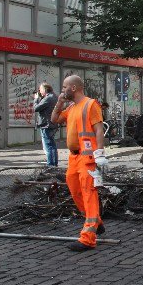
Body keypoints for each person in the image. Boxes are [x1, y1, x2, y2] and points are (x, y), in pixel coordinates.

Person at [51, 75, 107, 252]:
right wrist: (59, 102)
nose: (62, 90)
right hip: (74, 158)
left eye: (64, 87)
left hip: (87, 157)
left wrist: (99, 153)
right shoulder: (72, 107)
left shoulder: (91, 104)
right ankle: (96, 222)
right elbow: (54, 119)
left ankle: (88, 238)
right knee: (75, 190)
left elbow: (99, 128)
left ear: (73, 88)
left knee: (88, 193)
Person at [34, 83, 59, 166]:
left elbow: (36, 108)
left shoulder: (48, 98)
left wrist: (36, 99)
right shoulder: (54, 96)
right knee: (52, 145)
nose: (39, 91)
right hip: (52, 123)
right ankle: (54, 163)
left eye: (40, 89)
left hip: (46, 124)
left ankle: (50, 164)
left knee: (48, 145)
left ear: (45, 89)